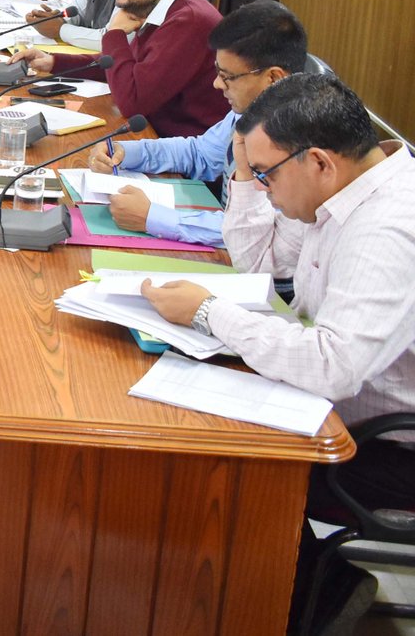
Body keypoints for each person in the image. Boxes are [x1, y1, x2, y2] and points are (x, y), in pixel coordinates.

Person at [136, 74, 415, 634]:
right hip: (344, 410)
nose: (263, 189)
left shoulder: (387, 227)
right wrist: (244, 166)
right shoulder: (344, 190)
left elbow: (334, 367)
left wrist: (210, 313)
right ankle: (310, 586)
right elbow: (259, 262)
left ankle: (306, 600)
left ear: (319, 162)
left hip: (391, 447)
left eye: (267, 174)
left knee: (221, 468)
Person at [87, 0, 309, 245]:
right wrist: (126, 152)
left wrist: (153, 217)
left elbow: (262, 233)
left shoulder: (300, 140)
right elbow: (201, 154)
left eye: (227, 77)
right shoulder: (251, 109)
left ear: (274, 78)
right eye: (217, 72)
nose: (217, 84)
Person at [11, 0, 228, 137]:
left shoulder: (187, 21)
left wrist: (114, 33)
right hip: (155, 132)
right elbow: (126, 65)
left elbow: (132, 102)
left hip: (182, 147)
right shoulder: (158, 5)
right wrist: (54, 62)